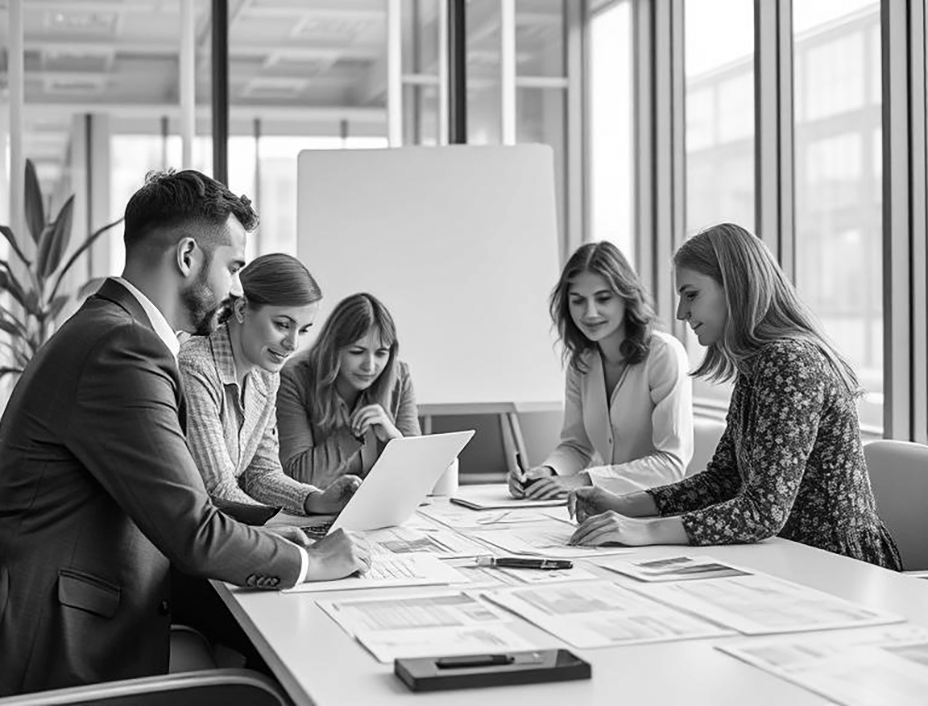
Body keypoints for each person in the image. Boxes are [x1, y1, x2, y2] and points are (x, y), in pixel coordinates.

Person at [0, 170, 371, 696]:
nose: (236, 289)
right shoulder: (123, 349)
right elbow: (194, 532)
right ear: (188, 257)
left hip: (94, 607)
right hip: (65, 643)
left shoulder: (111, 331)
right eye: (233, 267)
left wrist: (270, 535)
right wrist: (312, 561)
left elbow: (182, 504)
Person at [568, 223, 902, 571]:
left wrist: (644, 530)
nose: (682, 312)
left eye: (691, 294)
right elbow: (723, 480)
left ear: (735, 287)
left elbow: (762, 512)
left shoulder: (789, 361)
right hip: (788, 556)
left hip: (839, 567)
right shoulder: (756, 364)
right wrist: (625, 505)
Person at [508, 241, 693, 500]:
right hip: (605, 506)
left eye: (603, 298)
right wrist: (547, 472)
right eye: (578, 301)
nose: (590, 312)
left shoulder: (664, 354)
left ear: (627, 297)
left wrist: (581, 480)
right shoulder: (581, 362)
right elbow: (576, 446)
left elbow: (670, 465)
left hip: (658, 509)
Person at [179, 253, 361, 515]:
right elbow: (218, 490)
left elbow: (262, 474)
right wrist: (281, 527)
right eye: (283, 325)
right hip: (192, 535)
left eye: (303, 329)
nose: (293, 343)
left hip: (229, 529)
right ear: (242, 310)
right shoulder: (196, 367)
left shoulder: (266, 375)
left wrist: (317, 500)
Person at [277, 292, 420, 487]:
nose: (370, 366)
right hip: (317, 514)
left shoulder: (399, 376)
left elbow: (418, 473)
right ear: (333, 348)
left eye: (381, 353)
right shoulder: (294, 378)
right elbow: (298, 478)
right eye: (357, 352)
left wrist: (394, 439)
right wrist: (352, 434)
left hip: (382, 509)